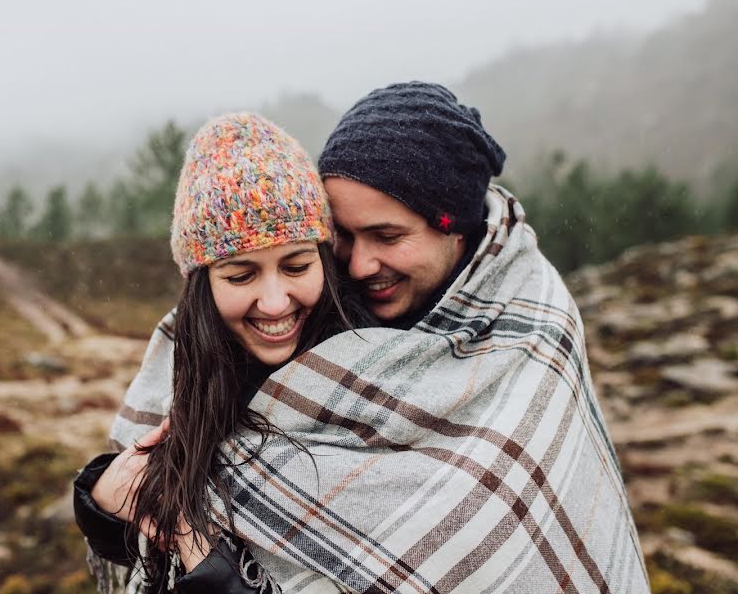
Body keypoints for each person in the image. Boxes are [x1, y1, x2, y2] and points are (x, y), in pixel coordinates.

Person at [83, 83, 650, 593]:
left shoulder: (526, 335)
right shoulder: (260, 332)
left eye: (386, 235)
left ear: (455, 225)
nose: (357, 265)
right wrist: (100, 502)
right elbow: (148, 501)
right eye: (343, 238)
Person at [73, 112, 373, 593]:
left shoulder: (383, 375)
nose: (275, 302)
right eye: (241, 276)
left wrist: (213, 571)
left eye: (297, 266)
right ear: (202, 287)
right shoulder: (181, 367)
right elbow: (137, 554)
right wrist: (99, 503)